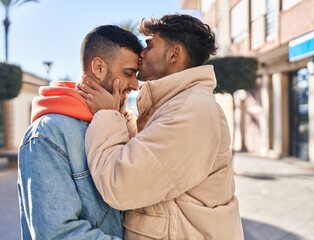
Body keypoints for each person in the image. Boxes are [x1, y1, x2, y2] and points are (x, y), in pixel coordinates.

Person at [78, 14, 244, 239]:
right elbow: (146, 156)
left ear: (174, 54)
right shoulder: (176, 105)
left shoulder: (190, 111)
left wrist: (106, 115)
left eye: (149, 45)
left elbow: (122, 184)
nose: (142, 54)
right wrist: (120, 115)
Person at [17, 25, 143, 239]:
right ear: (99, 68)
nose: (135, 85)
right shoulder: (48, 133)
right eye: (129, 73)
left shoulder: (114, 121)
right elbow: (58, 234)